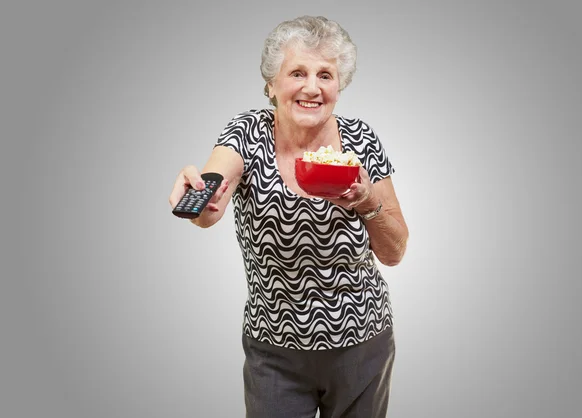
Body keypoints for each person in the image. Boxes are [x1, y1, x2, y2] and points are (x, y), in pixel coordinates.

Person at [169, 15, 409, 418]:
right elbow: (212, 194)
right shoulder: (248, 132)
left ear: (339, 85)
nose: (312, 87)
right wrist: (199, 193)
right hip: (274, 351)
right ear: (271, 84)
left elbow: (395, 251)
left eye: (326, 75)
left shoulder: (361, 140)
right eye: (297, 72)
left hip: (362, 342)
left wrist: (367, 201)